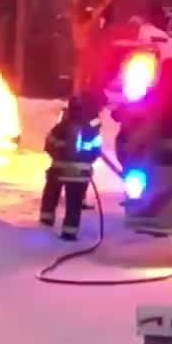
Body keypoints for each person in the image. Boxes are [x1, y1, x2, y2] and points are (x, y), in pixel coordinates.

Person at [40, 92, 104, 241]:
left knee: (51, 195)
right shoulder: (91, 130)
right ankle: (69, 233)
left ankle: (46, 221)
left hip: (58, 171)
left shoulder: (59, 128)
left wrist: (59, 157)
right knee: (74, 204)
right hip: (80, 174)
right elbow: (96, 152)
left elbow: (48, 145)